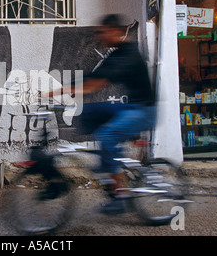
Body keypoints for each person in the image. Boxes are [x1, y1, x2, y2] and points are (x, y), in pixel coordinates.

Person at [43, 14, 156, 214]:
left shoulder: (128, 54)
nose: (98, 37)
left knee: (108, 135)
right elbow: (94, 77)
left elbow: (95, 84)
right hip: (131, 108)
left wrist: (55, 92)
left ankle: (120, 194)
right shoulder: (117, 53)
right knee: (89, 113)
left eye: (102, 32)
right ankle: (108, 160)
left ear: (115, 32)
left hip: (144, 111)